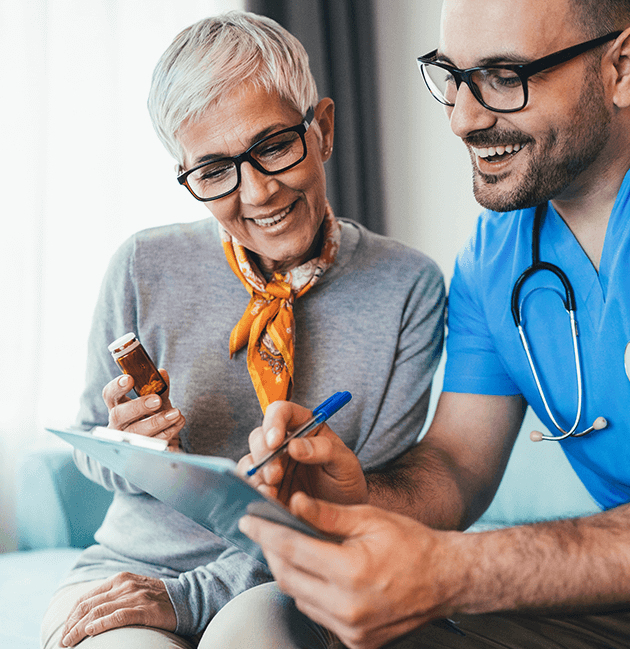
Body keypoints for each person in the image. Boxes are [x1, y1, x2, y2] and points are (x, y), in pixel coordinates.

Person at [225, 0, 630, 648]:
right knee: (367, 629)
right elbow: (457, 465)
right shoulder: (495, 252)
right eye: (452, 76)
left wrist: (452, 570)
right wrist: (355, 495)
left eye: (502, 77)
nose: (462, 119)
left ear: (622, 66)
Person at [40, 10, 445, 649]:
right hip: (134, 569)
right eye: (213, 172)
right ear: (187, 176)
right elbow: (96, 453)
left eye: (274, 145)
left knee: (253, 633)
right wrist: (136, 449)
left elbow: (355, 514)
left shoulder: (408, 290)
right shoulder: (142, 265)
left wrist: (192, 598)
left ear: (325, 130)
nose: (256, 193)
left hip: (297, 576)